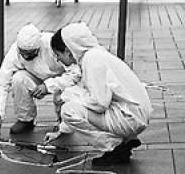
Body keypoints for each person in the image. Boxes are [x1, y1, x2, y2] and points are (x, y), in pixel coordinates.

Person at [45, 22, 152, 166]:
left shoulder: (92, 60)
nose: (58, 59)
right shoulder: (95, 55)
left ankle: (115, 147)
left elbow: (99, 104)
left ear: (68, 51)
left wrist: (68, 96)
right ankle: (126, 140)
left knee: (68, 109)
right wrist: (61, 131)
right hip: (133, 114)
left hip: (130, 118)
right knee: (74, 101)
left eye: (58, 54)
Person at [0, 23, 81, 138]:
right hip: (35, 77)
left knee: (64, 94)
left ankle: (64, 119)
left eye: (31, 53)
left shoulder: (52, 43)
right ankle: (25, 119)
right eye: (23, 53)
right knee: (18, 79)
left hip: (59, 77)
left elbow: (75, 74)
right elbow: (1, 83)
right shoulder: (14, 52)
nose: (27, 57)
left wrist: (49, 86)